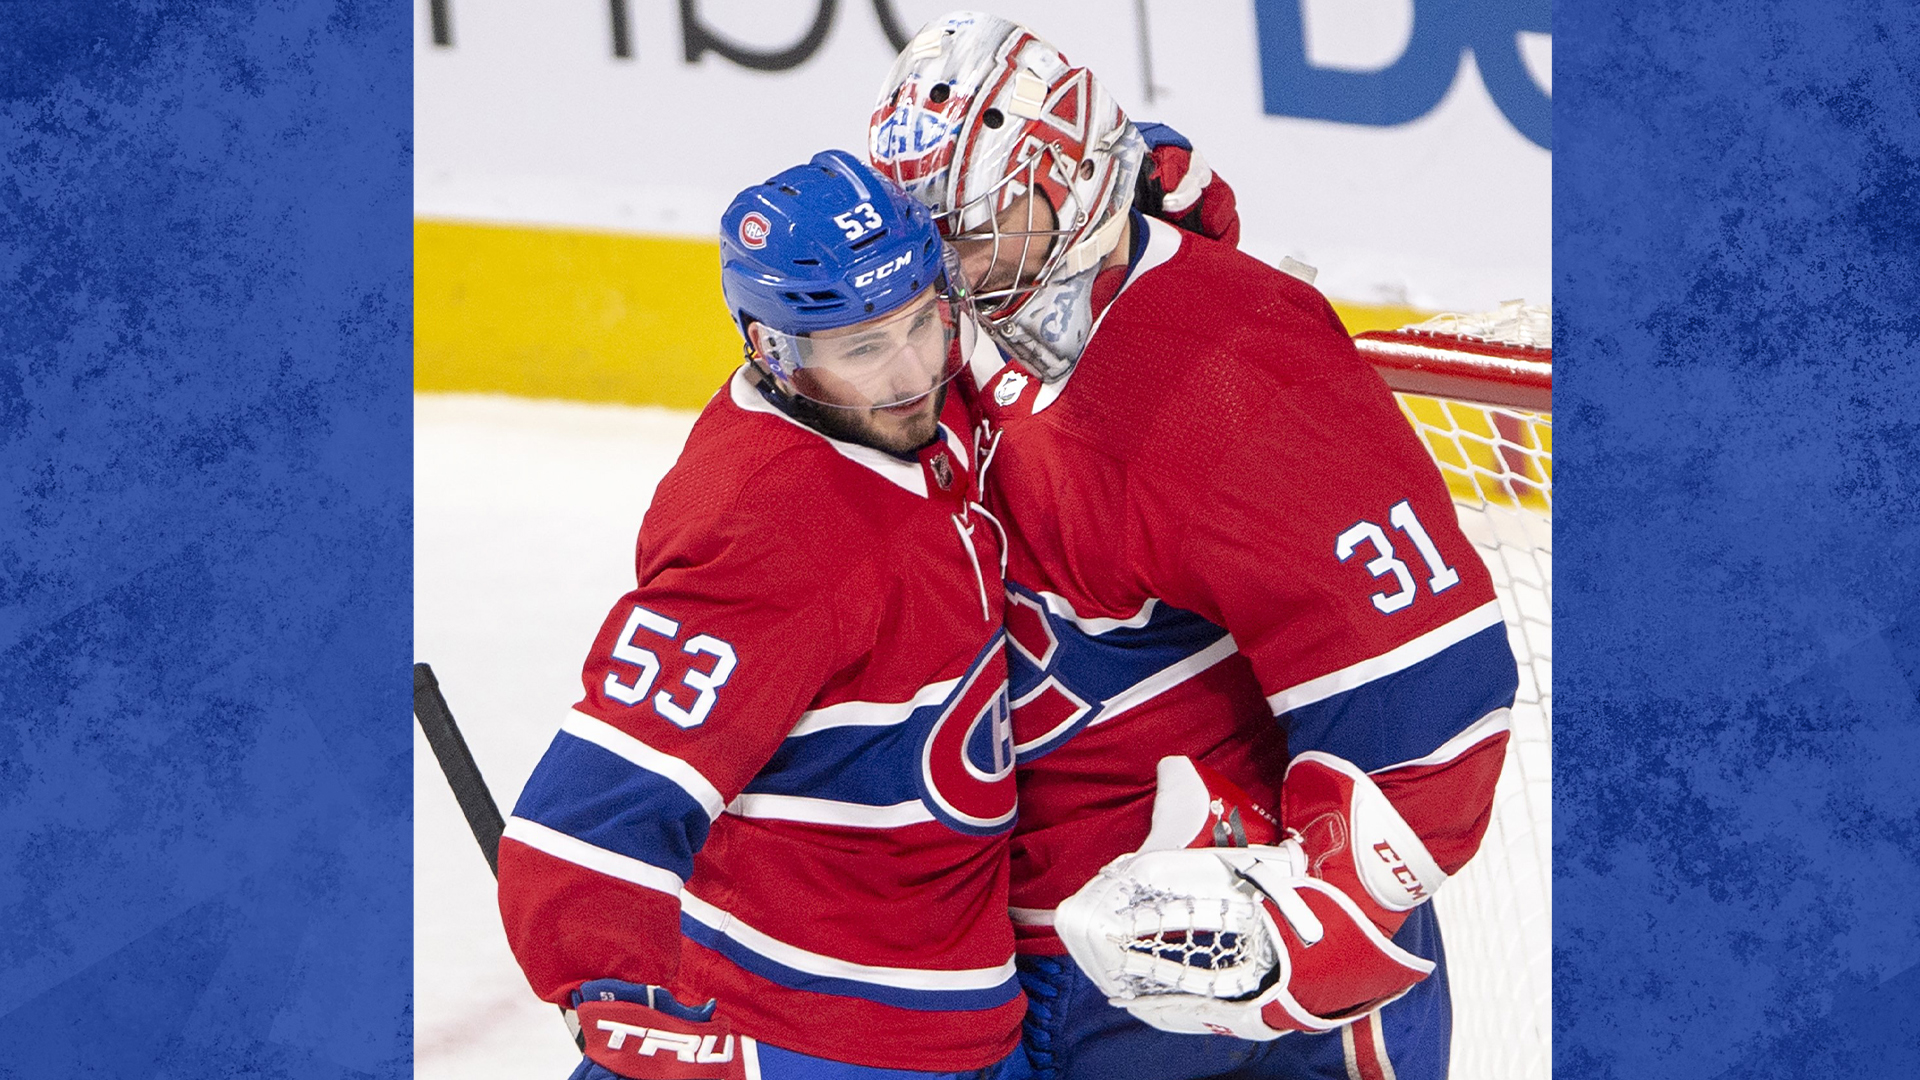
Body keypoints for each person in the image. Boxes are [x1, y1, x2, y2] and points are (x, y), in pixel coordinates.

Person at [867, 12, 1520, 1080]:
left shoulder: (1232, 383)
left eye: (971, 231)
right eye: (920, 232)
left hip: (1214, 978)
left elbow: (1432, 690)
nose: (940, 272)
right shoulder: (1003, 299)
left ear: (1062, 186)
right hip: (1026, 954)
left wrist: (1308, 920)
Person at [494, 149, 1029, 1080]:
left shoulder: (915, 417)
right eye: (861, 350)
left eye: (922, 327)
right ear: (771, 350)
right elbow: (583, 820)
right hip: (811, 1034)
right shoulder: (773, 535)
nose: (909, 374)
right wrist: (614, 997)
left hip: (958, 1012)